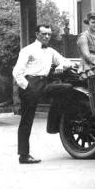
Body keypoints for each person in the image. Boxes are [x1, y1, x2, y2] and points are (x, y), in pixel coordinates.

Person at [12, 24, 79, 164]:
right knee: (27, 120)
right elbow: (17, 72)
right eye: (44, 34)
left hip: (44, 83)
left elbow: (66, 61)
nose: (47, 37)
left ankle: (53, 121)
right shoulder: (27, 50)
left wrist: (61, 65)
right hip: (30, 84)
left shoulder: (50, 51)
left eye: (49, 34)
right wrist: (27, 87)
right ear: (37, 34)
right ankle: (23, 155)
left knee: (67, 88)